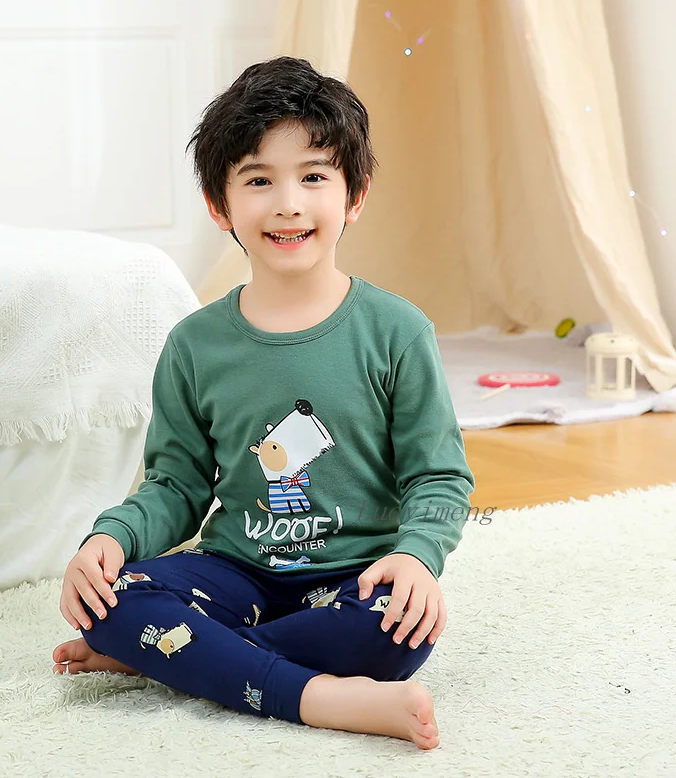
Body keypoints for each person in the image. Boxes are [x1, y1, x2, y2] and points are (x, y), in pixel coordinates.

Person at [52, 55, 475, 750]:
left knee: (398, 625)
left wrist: (418, 558)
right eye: (258, 180)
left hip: (354, 579)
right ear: (219, 205)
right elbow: (176, 484)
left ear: (355, 195)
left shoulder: (398, 331)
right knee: (110, 599)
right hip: (237, 570)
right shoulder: (194, 345)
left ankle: (179, 655)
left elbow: (439, 475)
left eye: (314, 176)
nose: (288, 203)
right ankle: (318, 697)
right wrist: (111, 538)